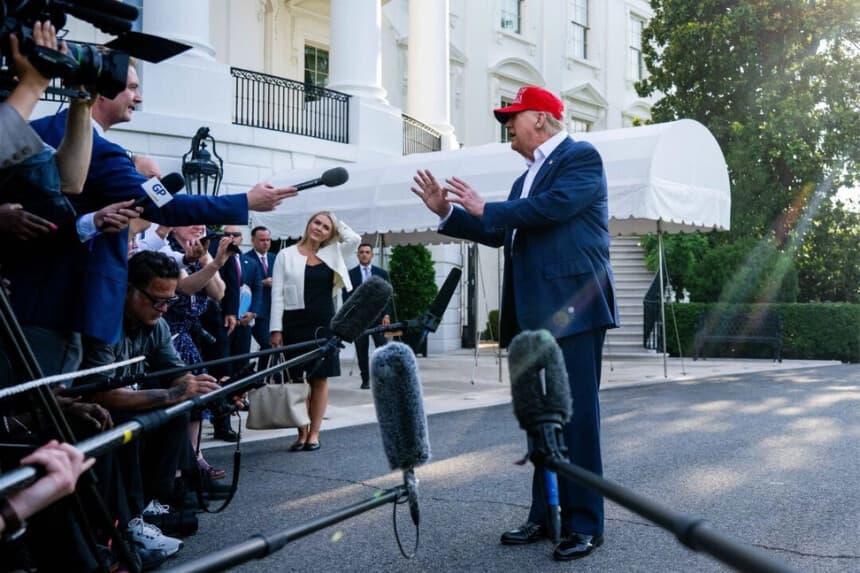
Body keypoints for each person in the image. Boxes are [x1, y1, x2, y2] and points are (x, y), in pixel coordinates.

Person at [411, 86, 619, 562]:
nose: (508, 124)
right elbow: (499, 229)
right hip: (532, 315)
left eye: (514, 116)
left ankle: (586, 523)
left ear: (541, 120)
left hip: (574, 309)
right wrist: (448, 213)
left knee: (578, 418)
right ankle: (546, 515)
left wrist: (489, 208)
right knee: (539, 419)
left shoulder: (580, 157)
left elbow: (554, 209)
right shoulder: (525, 177)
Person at [29, 58, 297, 354]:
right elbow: (165, 207)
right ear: (101, 92)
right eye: (131, 88)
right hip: (69, 306)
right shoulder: (103, 152)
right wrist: (246, 201)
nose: (139, 97)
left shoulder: (36, 130)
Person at [269, 211, 360, 451]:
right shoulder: (285, 254)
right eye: (316, 222)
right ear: (308, 223)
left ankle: (314, 434)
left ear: (331, 233)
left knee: (320, 379)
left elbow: (355, 240)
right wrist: (275, 329)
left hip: (324, 322)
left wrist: (337, 222)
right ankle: (301, 432)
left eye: (325, 227)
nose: (319, 228)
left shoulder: (334, 252)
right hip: (293, 322)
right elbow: (276, 294)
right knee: (297, 380)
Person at [343, 243, 392, 389]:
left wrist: (387, 314)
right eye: (362, 252)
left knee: (382, 349)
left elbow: (388, 296)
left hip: (378, 318)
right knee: (361, 351)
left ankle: (383, 378)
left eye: (367, 252)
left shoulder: (381, 273)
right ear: (358, 255)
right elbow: (347, 298)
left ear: (372, 255)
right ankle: (365, 379)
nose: (364, 254)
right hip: (359, 320)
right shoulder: (351, 275)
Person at [247, 226, 276, 354]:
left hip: (274, 310)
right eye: (262, 240)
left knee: (272, 347)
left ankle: (267, 374)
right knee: (267, 344)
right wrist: (262, 283)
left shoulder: (274, 258)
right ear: (253, 240)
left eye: (268, 240)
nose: (266, 243)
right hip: (257, 311)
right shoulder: (246, 259)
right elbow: (242, 284)